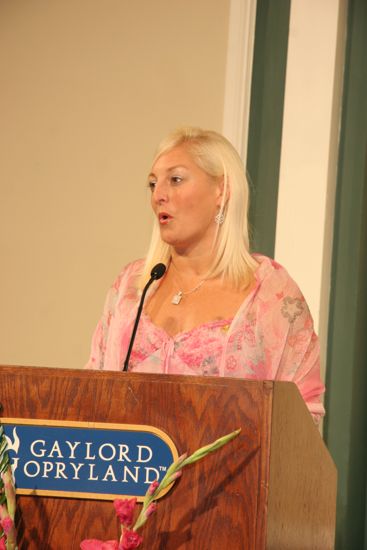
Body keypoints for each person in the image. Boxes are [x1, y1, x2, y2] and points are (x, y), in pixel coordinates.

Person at [85, 126, 325, 423]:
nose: (159, 195)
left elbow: (303, 417)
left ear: (221, 191)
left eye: (175, 179)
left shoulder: (271, 294)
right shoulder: (132, 287)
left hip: (231, 469)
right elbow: (91, 392)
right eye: (152, 184)